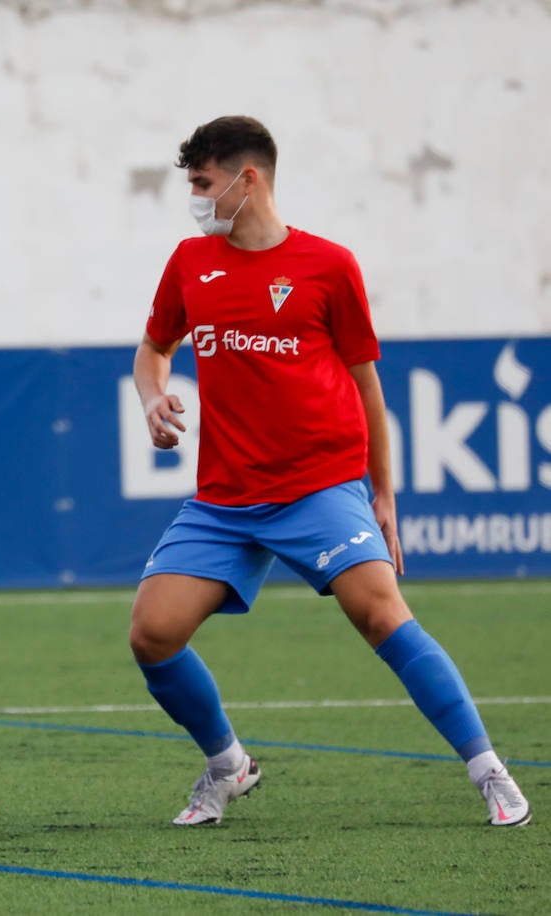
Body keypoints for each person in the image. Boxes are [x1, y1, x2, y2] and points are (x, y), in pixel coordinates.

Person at [130, 116, 531, 828]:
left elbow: (368, 386)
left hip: (320, 485)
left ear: (245, 179)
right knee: (152, 635)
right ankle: (227, 765)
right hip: (226, 497)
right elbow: (153, 347)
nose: (194, 198)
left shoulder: (329, 265)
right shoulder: (191, 262)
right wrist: (153, 395)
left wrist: (382, 491)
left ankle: (488, 769)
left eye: (201, 183)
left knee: (381, 614)